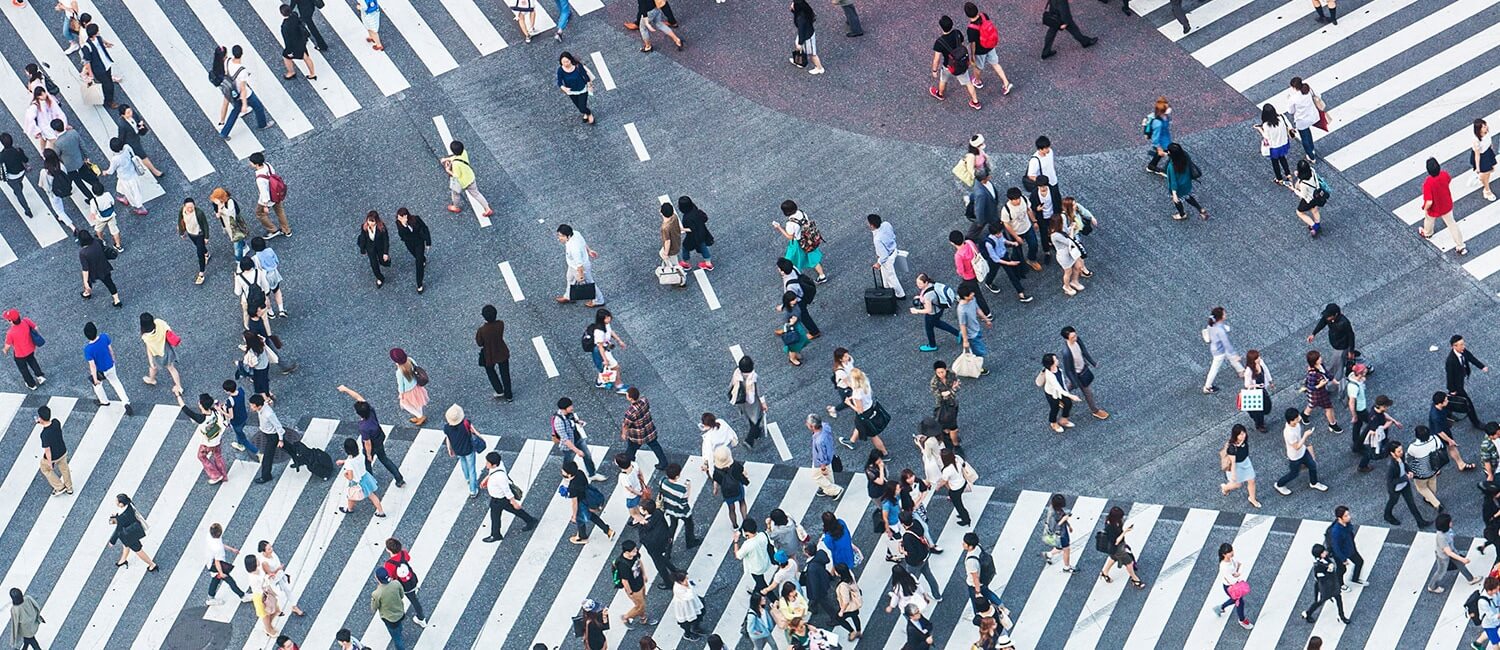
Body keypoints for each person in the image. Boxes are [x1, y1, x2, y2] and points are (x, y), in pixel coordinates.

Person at [337, 385, 406, 485]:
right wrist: (346, 389)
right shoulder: (370, 410)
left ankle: (371, 482)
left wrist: (369, 455)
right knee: (384, 459)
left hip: (372, 446)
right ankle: (399, 478)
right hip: (379, 439)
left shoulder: (364, 427)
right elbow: (358, 397)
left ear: (359, 414)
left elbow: (367, 443)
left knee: (367, 464)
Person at [480, 450, 537, 542]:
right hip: (498, 499)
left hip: (500, 499)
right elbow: (491, 473)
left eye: (488, 462)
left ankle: (496, 535)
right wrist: (486, 479)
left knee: (495, 517)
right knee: (513, 511)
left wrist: (513, 501)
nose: (486, 464)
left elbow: (506, 490)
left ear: (494, 465)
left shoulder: (500, 477)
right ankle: (530, 520)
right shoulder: (499, 465)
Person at [217, 48, 274, 138]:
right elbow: (243, 89)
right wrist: (244, 104)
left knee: (235, 111)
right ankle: (262, 125)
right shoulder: (242, 70)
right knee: (258, 107)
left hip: (233, 92)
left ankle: (224, 132)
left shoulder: (227, 62)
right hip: (245, 94)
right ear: (241, 54)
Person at [177, 391, 231, 484]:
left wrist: (178, 396)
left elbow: (185, 409)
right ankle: (224, 475)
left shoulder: (201, 418)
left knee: (201, 456)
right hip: (217, 438)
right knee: (218, 456)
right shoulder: (215, 411)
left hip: (208, 443)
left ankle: (215, 475)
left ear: (201, 405)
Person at [929, 15, 980, 110]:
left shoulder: (939, 42)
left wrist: (934, 70)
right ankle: (975, 102)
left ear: (941, 27)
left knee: (943, 79)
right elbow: (961, 44)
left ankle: (940, 94)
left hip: (948, 65)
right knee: (968, 83)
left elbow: (936, 59)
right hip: (960, 63)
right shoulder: (957, 33)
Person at [1275, 408, 1328, 495]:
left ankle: (1314, 483)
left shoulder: (1296, 425)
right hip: (1295, 456)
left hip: (1303, 451)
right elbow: (1296, 447)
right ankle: (1279, 484)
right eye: (1297, 418)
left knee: (1312, 465)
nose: (1299, 418)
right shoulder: (1289, 433)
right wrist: (1305, 436)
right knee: (1294, 474)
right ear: (1291, 421)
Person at [1420, 158, 1467, 255]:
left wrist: (1425, 207)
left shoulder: (1428, 183)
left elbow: (1429, 201)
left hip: (1434, 207)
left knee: (1429, 219)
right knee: (1452, 225)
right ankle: (1460, 246)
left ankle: (1427, 233)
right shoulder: (1444, 174)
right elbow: (1448, 180)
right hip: (1446, 204)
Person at [1429, 513, 1481, 593]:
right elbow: (1448, 552)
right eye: (1450, 522)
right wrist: (1462, 559)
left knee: (1460, 565)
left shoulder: (1446, 531)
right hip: (1443, 557)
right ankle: (1432, 586)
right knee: (1441, 572)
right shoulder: (1441, 537)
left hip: (1452, 552)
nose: (1451, 522)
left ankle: (1470, 579)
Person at [564, 459, 613, 542]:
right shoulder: (580, 472)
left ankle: (582, 537)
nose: (562, 472)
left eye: (564, 471)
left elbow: (574, 503)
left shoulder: (572, 487)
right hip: (588, 498)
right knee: (592, 517)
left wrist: (574, 516)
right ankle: (607, 530)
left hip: (581, 503)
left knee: (580, 520)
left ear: (569, 474)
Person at [441, 140, 494, 218]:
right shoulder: (464, 152)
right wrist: (447, 159)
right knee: (476, 193)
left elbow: (456, 175)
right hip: (470, 177)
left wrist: (448, 170)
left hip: (461, 182)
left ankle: (455, 207)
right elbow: (455, 157)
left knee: (455, 194)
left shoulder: (456, 164)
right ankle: (487, 208)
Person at [556, 224, 605, 307]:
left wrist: (581, 276)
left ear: (567, 236)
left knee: (589, 283)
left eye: (561, 236)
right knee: (570, 278)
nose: (559, 238)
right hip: (572, 265)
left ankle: (599, 300)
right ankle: (568, 296)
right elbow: (583, 243)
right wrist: (589, 250)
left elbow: (580, 265)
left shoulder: (574, 248)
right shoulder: (575, 233)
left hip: (579, 267)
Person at [1300, 544, 1350, 624]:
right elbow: (1320, 578)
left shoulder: (1325, 558)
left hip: (1333, 584)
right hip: (1325, 587)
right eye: (1323, 552)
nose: (1325, 552)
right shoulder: (1318, 565)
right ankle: (1308, 613)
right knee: (1319, 601)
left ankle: (1342, 616)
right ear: (1319, 555)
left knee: (1339, 598)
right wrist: (1328, 571)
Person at [381, 538, 427, 627]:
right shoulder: (403, 553)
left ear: (388, 550)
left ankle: (397, 615)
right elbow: (408, 558)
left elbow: (390, 576)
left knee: (396, 599)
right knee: (414, 600)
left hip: (399, 585)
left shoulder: (388, 564)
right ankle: (421, 618)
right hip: (410, 581)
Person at [337, 436, 387, 516]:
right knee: (372, 495)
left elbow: (350, 477)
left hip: (357, 482)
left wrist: (345, 474)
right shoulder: (360, 454)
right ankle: (381, 512)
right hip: (366, 477)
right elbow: (354, 462)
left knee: (350, 496)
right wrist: (344, 461)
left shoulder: (349, 463)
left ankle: (349, 509)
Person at [1384, 441, 1429, 528]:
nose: (1402, 452)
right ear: (1392, 453)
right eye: (1399, 451)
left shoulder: (1401, 456)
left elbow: (1404, 464)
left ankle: (1420, 522)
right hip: (1395, 488)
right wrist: (1405, 477)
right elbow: (1391, 482)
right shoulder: (1391, 466)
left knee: (1411, 503)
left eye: (1401, 450)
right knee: (1393, 501)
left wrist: (1409, 471)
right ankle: (1387, 515)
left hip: (1405, 485)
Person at [202, 523, 249, 606]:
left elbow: (220, 544)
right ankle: (242, 596)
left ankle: (210, 597)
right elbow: (217, 561)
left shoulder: (209, 536)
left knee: (215, 579)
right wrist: (221, 573)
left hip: (210, 562)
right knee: (230, 581)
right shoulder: (218, 548)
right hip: (216, 565)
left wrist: (231, 549)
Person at [1308, 303, 1357, 381]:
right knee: (1349, 357)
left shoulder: (1344, 322)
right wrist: (1314, 333)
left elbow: (1351, 336)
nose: (1327, 318)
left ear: (1336, 314)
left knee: (1338, 363)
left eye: (1329, 316)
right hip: (1336, 343)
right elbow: (1322, 322)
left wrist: (1351, 350)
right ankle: (1364, 364)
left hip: (1342, 346)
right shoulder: (1329, 318)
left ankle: (1335, 380)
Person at [1448, 335, 1488, 429]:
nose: (1463, 346)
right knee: (1467, 403)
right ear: (1454, 346)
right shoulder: (1450, 361)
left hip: (1460, 380)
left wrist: (1481, 366)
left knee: (1449, 399)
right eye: (1461, 345)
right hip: (1457, 385)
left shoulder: (1463, 351)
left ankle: (1447, 412)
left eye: (1463, 344)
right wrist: (1452, 389)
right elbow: (1449, 376)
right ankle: (1476, 423)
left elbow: (1471, 358)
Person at [109, 493, 158, 570]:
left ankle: (152, 564)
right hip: (131, 529)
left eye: (116, 501)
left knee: (138, 550)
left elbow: (118, 529)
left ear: (121, 504)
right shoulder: (129, 505)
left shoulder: (122, 517)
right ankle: (123, 560)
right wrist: (116, 516)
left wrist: (112, 541)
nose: (115, 502)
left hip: (129, 534)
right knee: (126, 545)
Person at [138, 313, 183, 393]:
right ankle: (178, 386)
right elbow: (169, 329)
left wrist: (150, 361)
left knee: (153, 366)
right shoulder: (159, 322)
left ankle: (152, 379)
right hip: (166, 348)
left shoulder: (146, 337)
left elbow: (149, 349)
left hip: (157, 354)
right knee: (171, 368)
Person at [476, 305, 513, 401]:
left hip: (489, 354)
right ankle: (509, 395)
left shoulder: (482, 330)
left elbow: (479, 343)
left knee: (490, 371)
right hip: (501, 351)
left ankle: (499, 390)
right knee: (505, 373)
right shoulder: (500, 324)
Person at [102, 137, 147, 216]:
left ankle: (140, 208)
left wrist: (105, 172)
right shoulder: (127, 147)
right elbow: (133, 155)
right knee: (125, 189)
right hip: (132, 173)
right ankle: (125, 198)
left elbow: (111, 170)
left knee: (133, 194)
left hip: (126, 178)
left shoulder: (115, 159)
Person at [1203, 306, 1243, 394]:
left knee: (1231, 358)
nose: (1226, 314)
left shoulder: (1212, 325)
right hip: (1219, 351)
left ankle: (1241, 371)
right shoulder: (1220, 330)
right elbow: (1226, 343)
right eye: (1224, 313)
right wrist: (1235, 354)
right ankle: (1207, 387)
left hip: (1216, 348)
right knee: (1214, 368)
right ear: (1221, 317)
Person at [249, 152, 290, 238]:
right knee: (280, 211)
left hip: (269, 198)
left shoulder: (260, 178)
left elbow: (264, 193)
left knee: (259, 213)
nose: (250, 163)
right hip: (276, 193)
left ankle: (273, 230)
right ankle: (286, 230)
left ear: (256, 164)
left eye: (251, 162)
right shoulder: (268, 165)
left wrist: (265, 205)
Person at [77, 229, 122, 306]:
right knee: (109, 283)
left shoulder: (83, 253)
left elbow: (85, 269)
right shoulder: (97, 241)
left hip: (92, 270)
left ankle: (87, 292)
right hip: (103, 267)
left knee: (88, 281)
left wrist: (85, 282)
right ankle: (116, 300)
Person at [658, 462, 699, 548]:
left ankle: (668, 549)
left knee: (672, 527)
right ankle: (690, 542)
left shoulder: (662, 481)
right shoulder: (681, 490)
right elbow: (684, 503)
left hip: (669, 508)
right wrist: (688, 488)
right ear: (677, 476)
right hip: (681, 511)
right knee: (689, 525)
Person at [1301, 350, 1342, 434]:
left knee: (1312, 404)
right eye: (1319, 358)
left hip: (1317, 394)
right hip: (1319, 394)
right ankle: (1333, 424)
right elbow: (1310, 387)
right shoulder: (1312, 374)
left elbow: (1326, 373)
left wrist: (1334, 381)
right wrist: (1319, 385)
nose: (1321, 358)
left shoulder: (1320, 365)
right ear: (1314, 361)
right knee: (1329, 408)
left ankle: (1304, 415)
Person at [1220, 424, 1261, 508]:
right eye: (1240, 434)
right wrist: (1234, 474)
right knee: (1237, 485)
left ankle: (1252, 498)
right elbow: (1233, 462)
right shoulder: (1232, 448)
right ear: (1236, 435)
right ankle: (1225, 488)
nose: (1243, 436)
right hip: (1237, 466)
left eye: (1244, 433)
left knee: (1251, 480)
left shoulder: (1244, 441)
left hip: (1245, 462)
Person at [443, 405, 480, 497]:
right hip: (468, 449)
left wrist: (449, 449)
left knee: (463, 463)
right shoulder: (466, 423)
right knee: (472, 469)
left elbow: (448, 439)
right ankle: (473, 490)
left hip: (457, 449)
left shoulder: (447, 428)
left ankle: (467, 478)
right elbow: (475, 432)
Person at [3, 310, 46, 390]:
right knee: (33, 361)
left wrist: (5, 351)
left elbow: (7, 346)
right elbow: (36, 328)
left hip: (20, 355)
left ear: (11, 321)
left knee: (24, 369)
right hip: (30, 349)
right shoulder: (26, 321)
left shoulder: (11, 333)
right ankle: (39, 376)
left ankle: (31, 384)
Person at [1038, 353, 1080, 433]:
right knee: (1055, 408)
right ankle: (1053, 423)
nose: (1057, 360)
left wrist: (1067, 392)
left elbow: (1062, 382)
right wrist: (1071, 396)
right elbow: (1058, 389)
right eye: (1056, 360)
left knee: (1068, 403)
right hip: (1052, 394)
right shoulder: (1050, 376)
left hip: (1061, 391)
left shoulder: (1057, 368)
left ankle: (1064, 420)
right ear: (1051, 364)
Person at [1286, 77, 1324, 163]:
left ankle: (1311, 156)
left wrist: (1288, 100)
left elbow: (1290, 111)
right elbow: (1318, 95)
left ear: (1293, 87)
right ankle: (1312, 149)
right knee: (1308, 133)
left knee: (1304, 137)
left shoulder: (1293, 98)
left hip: (1302, 120)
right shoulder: (1307, 89)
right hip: (1312, 116)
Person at [1165, 143, 1208, 220]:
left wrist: (1174, 194)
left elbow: (1173, 181)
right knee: (1187, 196)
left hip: (1178, 187)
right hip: (1186, 183)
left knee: (1177, 201)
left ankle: (1182, 214)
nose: (1167, 152)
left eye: (1168, 151)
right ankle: (1200, 209)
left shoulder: (1171, 166)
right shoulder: (1185, 156)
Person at [1214, 543, 1252, 629]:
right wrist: (1238, 574)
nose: (1232, 553)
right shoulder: (1224, 566)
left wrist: (1237, 573)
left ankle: (1221, 607)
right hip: (1230, 587)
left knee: (1236, 600)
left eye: (1231, 550)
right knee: (1240, 602)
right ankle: (1242, 620)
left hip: (1234, 585)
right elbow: (1232, 579)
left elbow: (1240, 564)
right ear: (1224, 554)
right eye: (1229, 552)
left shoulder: (1231, 560)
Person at [867, 214, 905, 298]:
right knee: (884, 273)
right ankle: (886, 287)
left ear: (872, 225)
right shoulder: (886, 224)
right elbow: (893, 236)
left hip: (887, 258)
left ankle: (900, 294)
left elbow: (884, 256)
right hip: (893, 250)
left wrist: (878, 263)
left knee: (891, 277)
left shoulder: (877, 239)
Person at [615, 541, 652, 626]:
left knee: (642, 603)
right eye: (633, 550)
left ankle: (643, 618)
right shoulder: (623, 565)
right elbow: (625, 581)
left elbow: (639, 562)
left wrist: (644, 574)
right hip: (634, 589)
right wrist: (630, 592)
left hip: (640, 583)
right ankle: (625, 617)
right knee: (640, 606)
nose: (636, 551)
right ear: (627, 552)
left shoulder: (635, 556)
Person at [1255, 104, 1293, 185]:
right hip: (1283, 143)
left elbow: (1266, 137)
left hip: (1274, 147)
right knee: (1283, 158)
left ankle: (1279, 179)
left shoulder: (1266, 125)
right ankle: (1288, 174)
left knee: (1275, 162)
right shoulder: (1281, 118)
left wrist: (1259, 129)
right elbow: (1289, 125)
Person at [394, 208, 430, 293]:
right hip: (410, 244)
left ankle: (419, 284)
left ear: (406, 216)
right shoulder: (399, 224)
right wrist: (404, 225)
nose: (399, 219)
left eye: (401, 217)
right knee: (417, 256)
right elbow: (402, 235)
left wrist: (428, 242)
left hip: (419, 243)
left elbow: (425, 228)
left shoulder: (416, 219)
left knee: (418, 263)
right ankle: (423, 259)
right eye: (398, 217)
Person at [807, 415, 843, 498]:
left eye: (808, 424)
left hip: (820, 461)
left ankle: (835, 490)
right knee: (828, 474)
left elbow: (822, 456)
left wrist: (822, 468)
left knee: (816, 476)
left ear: (812, 426)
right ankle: (828, 490)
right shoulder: (825, 427)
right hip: (829, 455)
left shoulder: (819, 441)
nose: (806, 424)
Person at [279, 4, 317, 80]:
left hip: (294, 45)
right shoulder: (294, 15)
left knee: (286, 56)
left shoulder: (285, 26)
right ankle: (312, 73)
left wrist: (289, 51)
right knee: (306, 57)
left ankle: (291, 72)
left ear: (282, 14)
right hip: (301, 40)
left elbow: (287, 40)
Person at [1328, 506, 1364, 587]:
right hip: (1340, 554)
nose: (1349, 517)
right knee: (1341, 570)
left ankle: (1355, 579)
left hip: (1350, 549)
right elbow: (1336, 548)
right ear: (1339, 518)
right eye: (1346, 516)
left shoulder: (1347, 524)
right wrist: (1343, 559)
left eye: (1348, 514)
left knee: (1359, 562)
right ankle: (1340, 584)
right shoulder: (1336, 532)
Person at [370, 567, 405, 650]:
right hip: (400, 611)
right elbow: (402, 595)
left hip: (389, 618)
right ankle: (399, 631)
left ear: (378, 579)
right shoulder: (396, 583)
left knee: (397, 639)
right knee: (399, 627)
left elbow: (374, 607)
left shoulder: (377, 593)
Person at [211, 187, 251, 260]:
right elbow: (217, 215)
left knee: (236, 245)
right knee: (238, 237)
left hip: (234, 223)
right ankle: (244, 246)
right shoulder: (216, 203)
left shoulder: (230, 202)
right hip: (227, 224)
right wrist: (219, 209)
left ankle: (239, 261)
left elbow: (231, 214)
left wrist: (221, 208)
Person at [1289, 160, 1326, 238]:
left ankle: (1314, 227)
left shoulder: (1303, 184)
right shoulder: (1312, 170)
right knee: (1315, 210)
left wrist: (1294, 190)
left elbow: (1303, 195)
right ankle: (1317, 224)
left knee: (1299, 212)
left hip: (1309, 199)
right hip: (1316, 195)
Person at [556, 52, 596, 124]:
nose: (565, 64)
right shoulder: (560, 70)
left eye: (567, 61)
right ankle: (585, 113)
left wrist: (589, 84)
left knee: (582, 107)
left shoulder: (577, 66)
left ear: (570, 60)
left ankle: (589, 113)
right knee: (579, 106)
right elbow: (559, 81)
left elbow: (585, 76)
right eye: (563, 62)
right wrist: (563, 87)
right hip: (571, 92)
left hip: (582, 89)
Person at [676, 196, 713, 270]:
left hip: (693, 236)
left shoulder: (687, 218)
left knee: (685, 247)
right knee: (702, 246)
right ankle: (708, 263)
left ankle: (685, 263)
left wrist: (681, 229)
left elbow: (691, 229)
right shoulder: (694, 208)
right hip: (702, 231)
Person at [356, 211, 391, 287]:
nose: (370, 223)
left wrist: (385, 252)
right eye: (369, 220)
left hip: (380, 247)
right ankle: (380, 278)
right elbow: (363, 238)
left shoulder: (381, 227)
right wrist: (362, 249)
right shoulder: (364, 226)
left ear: (376, 221)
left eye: (373, 221)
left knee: (383, 261)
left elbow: (386, 240)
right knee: (374, 265)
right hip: (370, 248)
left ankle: (386, 261)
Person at [671, 571, 706, 640]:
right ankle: (687, 634)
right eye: (685, 579)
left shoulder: (685, 584)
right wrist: (688, 588)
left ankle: (696, 627)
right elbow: (689, 597)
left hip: (692, 603)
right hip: (685, 608)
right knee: (686, 622)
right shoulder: (677, 589)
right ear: (680, 581)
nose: (687, 580)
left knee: (700, 613)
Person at [789, 0, 822, 74]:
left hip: (807, 37)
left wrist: (800, 43)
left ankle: (819, 68)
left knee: (812, 54)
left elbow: (801, 30)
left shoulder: (801, 18)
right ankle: (799, 61)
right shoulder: (805, 10)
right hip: (807, 34)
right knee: (799, 46)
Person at [1145, 97, 1172, 176]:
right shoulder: (1158, 123)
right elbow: (1155, 137)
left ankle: (1151, 166)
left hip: (1166, 140)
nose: (1169, 109)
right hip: (1162, 143)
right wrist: (1159, 148)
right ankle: (1165, 170)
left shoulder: (1165, 117)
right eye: (1167, 108)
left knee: (1159, 155)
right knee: (1172, 155)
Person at [1474, 118, 1496, 202]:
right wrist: (1478, 168)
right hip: (1482, 157)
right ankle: (1487, 190)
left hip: (1488, 153)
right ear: (1479, 129)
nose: (1486, 127)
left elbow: (1490, 142)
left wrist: (1492, 152)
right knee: (1485, 173)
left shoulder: (1487, 132)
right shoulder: (1476, 140)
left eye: (1485, 125)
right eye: (1483, 127)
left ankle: (1483, 181)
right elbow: (1477, 155)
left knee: (1489, 172)